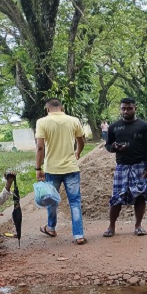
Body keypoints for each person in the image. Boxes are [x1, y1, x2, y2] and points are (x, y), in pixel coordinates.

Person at [35, 98, 87, 245]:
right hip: (71, 168)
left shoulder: (42, 122)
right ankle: (79, 235)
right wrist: (78, 152)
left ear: (47, 109)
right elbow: (81, 141)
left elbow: (40, 147)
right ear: (62, 108)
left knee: (51, 200)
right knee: (75, 202)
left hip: (52, 169)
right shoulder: (73, 120)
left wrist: (38, 168)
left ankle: (51, 228)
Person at [103, 97, 147, 237]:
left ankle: (138, 226)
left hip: (139, 166)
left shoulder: (145, 127)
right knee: (117, 197)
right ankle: (111, 227)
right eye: (123, 108)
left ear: (135, 108)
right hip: (121, 167)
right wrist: (114, 147)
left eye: (129, 108)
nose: (126, 111)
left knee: (140, 196)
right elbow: (108, 145)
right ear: (120, 109)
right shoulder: (114, 127)